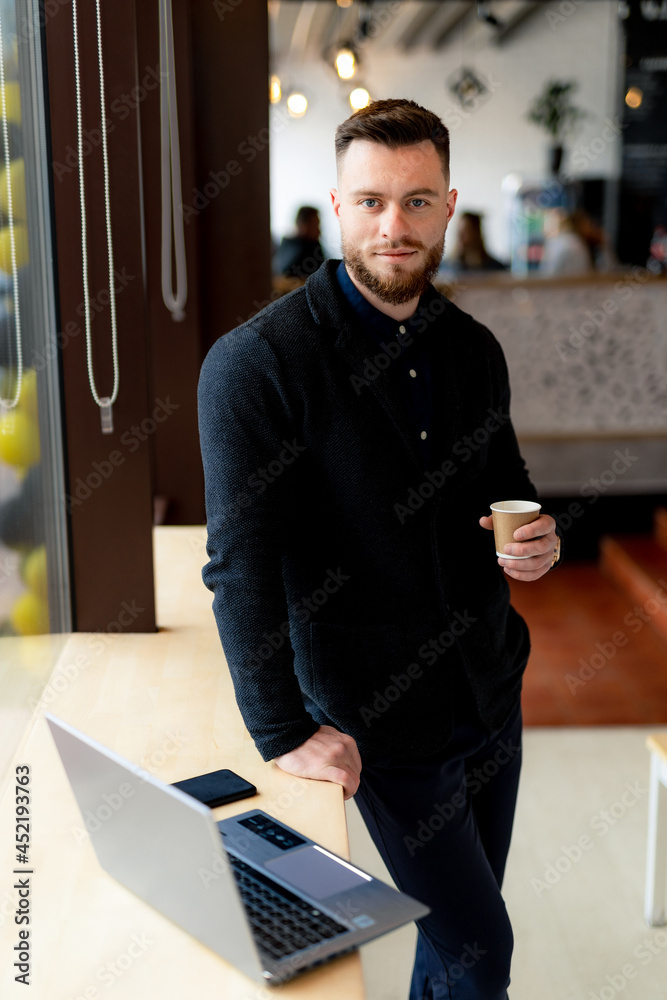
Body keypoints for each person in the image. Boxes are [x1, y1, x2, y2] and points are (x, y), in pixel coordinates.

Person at [198, 98, 560, 1000]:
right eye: (370, 202)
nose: (392, 226)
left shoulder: (472, 349)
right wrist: (281, 730)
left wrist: (537, 540)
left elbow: (504, 484)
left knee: (454, 948)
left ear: (446, 204)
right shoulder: (257, 365)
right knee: (483, 955)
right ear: (334, 205)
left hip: (488, 689)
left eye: (416, 201)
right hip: (377, 721)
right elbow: (238, 563)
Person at [272, 205, 326, 278]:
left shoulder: (313, 245)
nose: (319, 231)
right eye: (315, 225)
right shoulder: (297, 247)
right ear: (303, 225)